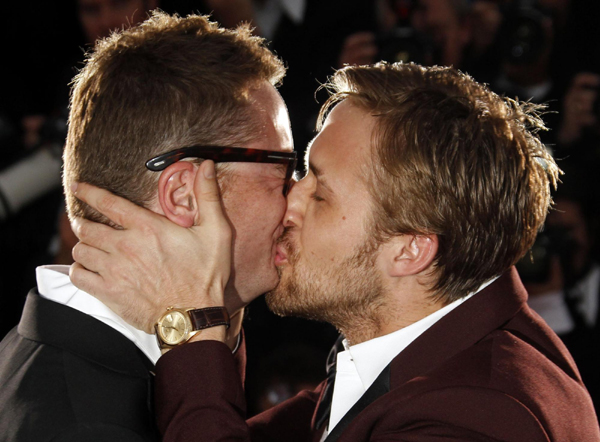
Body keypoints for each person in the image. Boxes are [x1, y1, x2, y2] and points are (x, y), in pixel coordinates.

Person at [70, 62, 600, 440]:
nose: (287, 201)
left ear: (410, 251)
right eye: (299, 171)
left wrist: (189, 325)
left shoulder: (472, 419)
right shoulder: (432, 349)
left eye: (318, 192)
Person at [0, 11, 293, 441]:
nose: (298, 197)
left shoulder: (63, 357)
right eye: (283, 171)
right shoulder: (86, 425)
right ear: (183, 195)